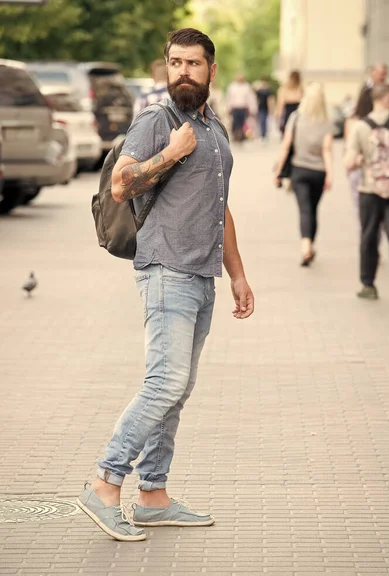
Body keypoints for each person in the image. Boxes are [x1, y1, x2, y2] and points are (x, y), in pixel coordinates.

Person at [77, 27, 255, 541]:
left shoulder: (215, 129)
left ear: (211, 71)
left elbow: (219, 207)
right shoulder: (159, 122)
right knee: (164, 383)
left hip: (203, 274)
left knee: (178, 389)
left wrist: (238, 274)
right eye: (175, 62)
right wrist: (172, 153)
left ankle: (152, 495)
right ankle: (105, 482)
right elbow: (121, 183)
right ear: (167, 66)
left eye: (193, 63)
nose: (183, 71)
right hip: (165, 270)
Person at [344, 83, 389, 304]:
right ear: (388, 98)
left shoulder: (360, 127)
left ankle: (368, 284)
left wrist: (358, 160)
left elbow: (349, 162)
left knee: (369, 236)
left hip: (369, 188)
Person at [274, 82, 333, 266]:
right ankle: (310, 244)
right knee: (313, 210)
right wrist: (330, 174)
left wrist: (278, 172)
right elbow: (327, 150)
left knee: (305, 209)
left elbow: (285, 147)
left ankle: (306, 247)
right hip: (319, 172)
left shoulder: (296, 117)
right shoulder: (326, 122)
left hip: (299, 171)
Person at [344, 88, 373, 211]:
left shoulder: (352, 121)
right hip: (381, 170)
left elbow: (348, 146)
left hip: (357, 169)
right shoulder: (387, 121)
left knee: (361, 212)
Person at [225, 73, 257, 142]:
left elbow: (250, 98)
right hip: (235, 107)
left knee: (242, 122)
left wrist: (252, 108)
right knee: (235, 122)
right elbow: (229, 98)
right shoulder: (232, 86)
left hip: (243, 107)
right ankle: (236, 135)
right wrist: (228, 108)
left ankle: (241, 135)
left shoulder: (246, 86)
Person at [275, 70, 303, 136]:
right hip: (296, 117)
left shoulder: (284, 90)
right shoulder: (300, 90)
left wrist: (278, 118)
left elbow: (280, 105)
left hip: (288, 116)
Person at [255, 76, 274, 140]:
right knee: (262, 121)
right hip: (261, 107)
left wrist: (271, 109)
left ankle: (264, 134)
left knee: (265, 121)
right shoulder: (259, 91)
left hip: (266, 108)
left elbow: (270, 100)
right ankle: (263, 134)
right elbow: (257, 99)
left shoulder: (268, 91)